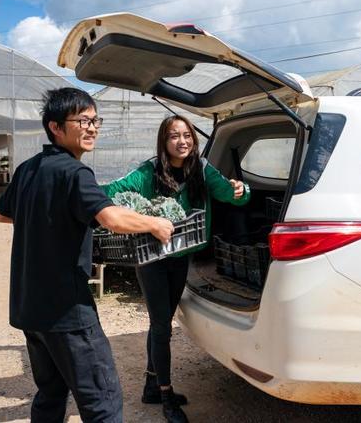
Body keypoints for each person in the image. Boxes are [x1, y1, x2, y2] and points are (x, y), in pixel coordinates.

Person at [0, 87, 175, 423]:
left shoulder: (29, 169)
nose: (92, 128)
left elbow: (2, 214)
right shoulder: (75, 173)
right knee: (102, 402)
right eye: (82, 121)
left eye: (95, 121)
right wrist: (155, 223)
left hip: (29, 308)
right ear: (56, 128)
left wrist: (47, 215)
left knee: (50, 394)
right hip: (67, 311)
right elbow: (112, 219)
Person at [103, 115, 250, 423]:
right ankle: (166, 395)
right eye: (174, 136)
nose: (181, 141)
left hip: (181, 254)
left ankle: (150, 386)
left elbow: (229, 194)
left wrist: (242, 190)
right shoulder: (150, 171)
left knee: (163, 321)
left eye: (187, 136)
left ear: (193, 141)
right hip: (152, 258)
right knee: (161, 326)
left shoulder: (202, 169)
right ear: (164, 141)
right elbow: (115, 190)